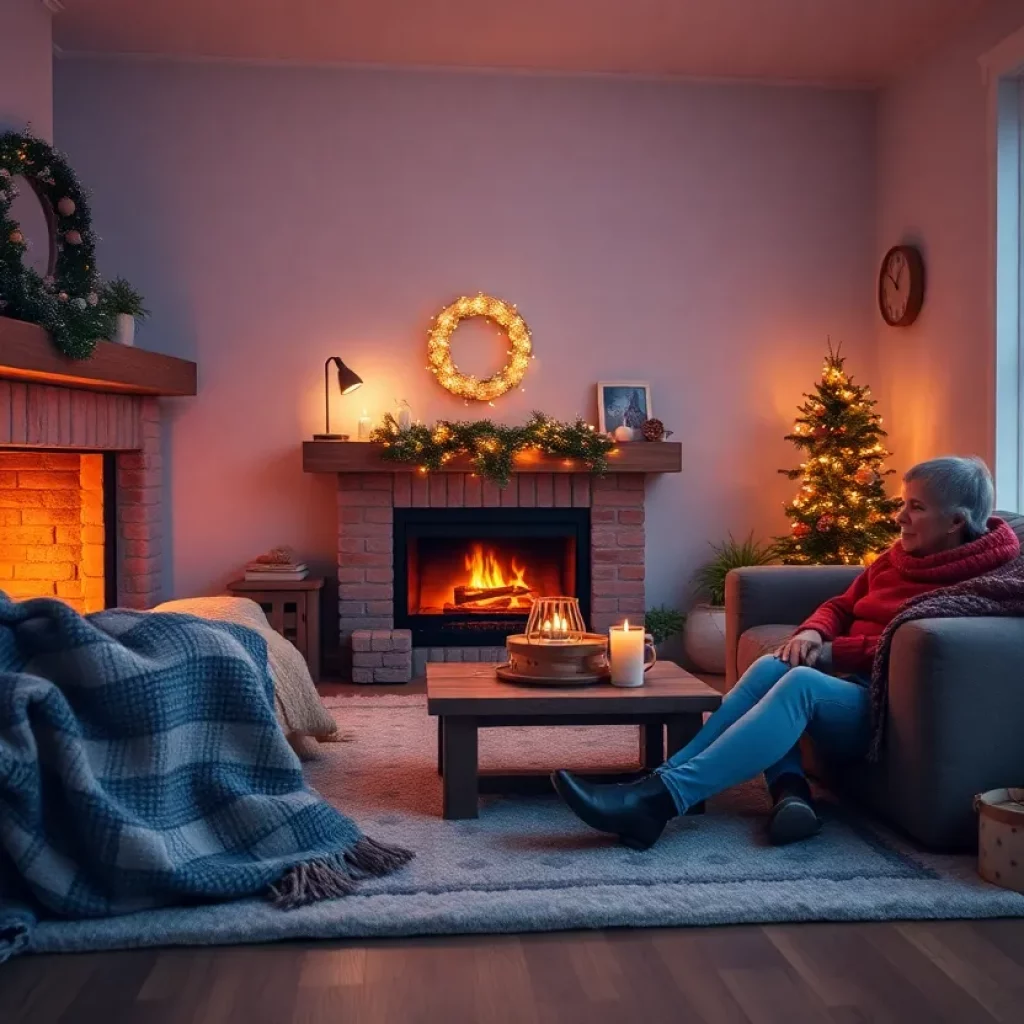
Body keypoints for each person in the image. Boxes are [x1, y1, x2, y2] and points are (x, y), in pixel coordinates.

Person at [552, 456, 1021, 850]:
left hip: (881, 705)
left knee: (799, 682)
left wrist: (834, 654)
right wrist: (815, 634)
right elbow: (842, 603)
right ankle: (663, 785)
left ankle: (656, 801)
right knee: (772, 665)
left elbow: (914, 644)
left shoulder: (981, 583)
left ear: (957, 521)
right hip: (844, 682)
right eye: (903, 503)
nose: (900, 517)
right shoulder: (898, 556)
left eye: (915, 508)